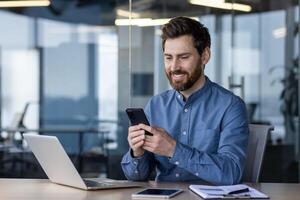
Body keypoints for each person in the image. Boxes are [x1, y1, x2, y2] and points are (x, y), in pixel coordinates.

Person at [121, 16, 249, 185]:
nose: (174, 66)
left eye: (183, 57)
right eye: (168, 57)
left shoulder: (230, 106)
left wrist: (173, 149)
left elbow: (231, 172)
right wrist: (137, 152)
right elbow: (136, 176)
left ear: (205, 56)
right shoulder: (156, 105)